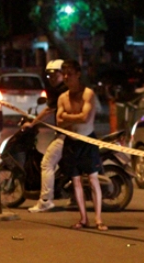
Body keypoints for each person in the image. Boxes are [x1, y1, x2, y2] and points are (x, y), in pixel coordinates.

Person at [56, 60, 106, 231]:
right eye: (64, 74)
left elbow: (85, 118)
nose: (66, 77)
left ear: (78, 74)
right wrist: (72, 117)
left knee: (93, 179)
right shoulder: (63, 97)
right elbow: (58, 121)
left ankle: (98, 219)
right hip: (71, 143)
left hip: (87, 141)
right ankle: (83, 218)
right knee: (75, 181)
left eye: (69, 74)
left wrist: (67, 116)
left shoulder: (88, 94)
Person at [26, 59, 68, 213]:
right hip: (71, 133)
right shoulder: (65, 89)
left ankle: (45, 200)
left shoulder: (62, 91)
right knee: (68, 166)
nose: (52, 78)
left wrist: (33, 123)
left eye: (55, 75)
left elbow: (49, 110)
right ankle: (75, 197)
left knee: (47, 164)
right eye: (49, 76)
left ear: (63, 74)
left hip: (66, 135)